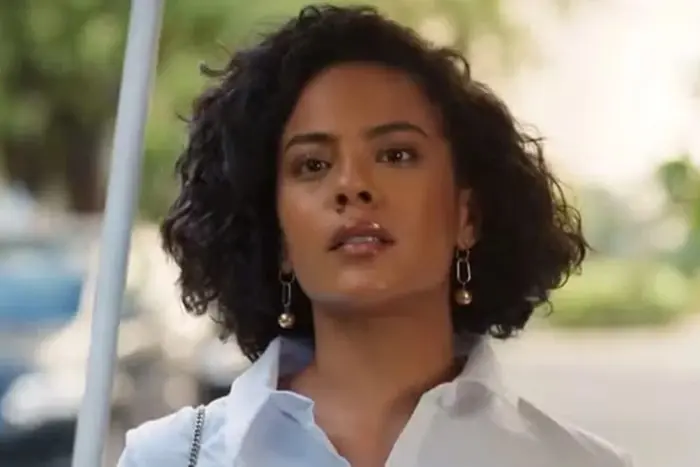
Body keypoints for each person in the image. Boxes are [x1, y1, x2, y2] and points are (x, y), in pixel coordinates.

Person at [117, 4, 633, 466]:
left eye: (396, 155)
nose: (352, 185)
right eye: (312, 164)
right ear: (277, 234)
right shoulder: (171, 459)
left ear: (468, 215)